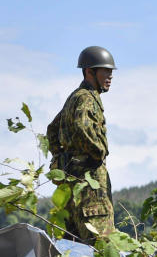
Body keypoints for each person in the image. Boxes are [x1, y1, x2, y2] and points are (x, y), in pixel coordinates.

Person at [46, 46, 117, 243]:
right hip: (90, 189)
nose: (110, 77)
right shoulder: (87, 98)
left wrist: (63, 158)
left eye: (111, 72)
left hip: (72, 186)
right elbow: (81, 127)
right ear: (90, 72)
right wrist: (99, 151)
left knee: (77, 256)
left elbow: (52, 130)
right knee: (101, 248)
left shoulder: (75, 97)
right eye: (105, 72)